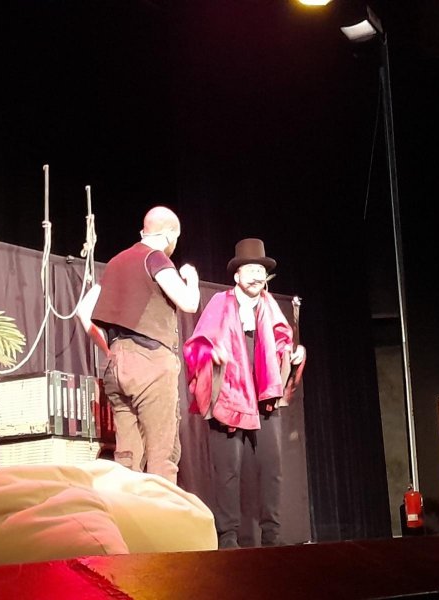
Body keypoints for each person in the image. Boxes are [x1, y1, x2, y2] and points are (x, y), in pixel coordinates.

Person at [183, 238, 306, 548]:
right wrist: (212, 355)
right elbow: (195, 347)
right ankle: (228, 536)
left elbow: (282, 341)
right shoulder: (220, 303)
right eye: (250, 270)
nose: (256, 276)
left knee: (271, 468)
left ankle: (272, 535)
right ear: (237, 275)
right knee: (227, 471)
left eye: (260, 271)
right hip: (229, 395)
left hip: (264, 396)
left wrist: (293, 354)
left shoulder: (269, 304)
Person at [77, 206, 200, 485]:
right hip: (151, 364)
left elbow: (83, 312)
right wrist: (191, 279)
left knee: (127, 457)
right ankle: (161, 513)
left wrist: (109, 351)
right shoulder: (155, 258)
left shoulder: (115, 263)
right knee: (161, 455)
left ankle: (126, 510)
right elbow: (189, 303)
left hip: (116, 365)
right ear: (170, 234)